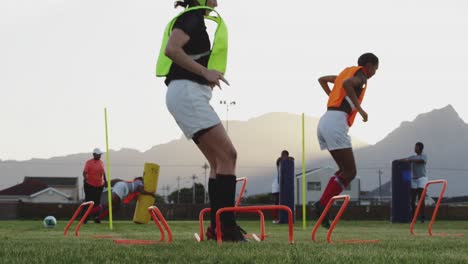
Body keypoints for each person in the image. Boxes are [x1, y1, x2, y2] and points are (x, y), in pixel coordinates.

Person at [156, 0, 245, 241]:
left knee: (219, 161)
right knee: (229, 155)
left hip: (188, 93)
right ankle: (226, 228)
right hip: (187, 93)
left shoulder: (195, 20)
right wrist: (205, 72)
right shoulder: (191, 18)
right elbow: (172, 49)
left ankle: (218, 227)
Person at [314, 53, 379, 228]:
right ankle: (322, 205)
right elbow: (347, 85)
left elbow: (322, 79)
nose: (375, 72)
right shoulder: (361, 76)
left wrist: (331, 96)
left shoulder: (345, 73)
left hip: (326, 119)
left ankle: (323, 205)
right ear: (369, 65)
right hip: (336, 122)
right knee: (350, 172)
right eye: (375, 68)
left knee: (344, 170)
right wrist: (360, 109)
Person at [88, 177, 156, 223]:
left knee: (116, 207)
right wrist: (151, 193)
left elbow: (136, 195)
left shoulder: (135, 182)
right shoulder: (140, 182)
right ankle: (90, 213)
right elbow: (142, 191)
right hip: (122, 187)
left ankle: (97, 218)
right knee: (109, 204)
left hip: (122, 187)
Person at [398, 142, 428, 223]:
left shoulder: (424, 156)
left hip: (422, 178)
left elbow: (420, 160)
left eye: (416, 147)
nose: (414, 148)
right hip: (414, 179)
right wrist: (398, 161)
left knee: (421, 199)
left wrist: (410, 160)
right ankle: (413, 218)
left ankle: (422, 218)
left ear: (420, 148)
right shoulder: (412, 157)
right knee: (412, 199)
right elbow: (406, 159)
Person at [82, 148, 106, 222]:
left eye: (100, 155)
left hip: (99, 185)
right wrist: (86, 178)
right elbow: (84, 172)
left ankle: (96, 217)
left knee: (97, 202)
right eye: (98, 155)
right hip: (89, 185)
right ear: (94, 154)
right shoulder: (89, 162)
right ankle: (85, 218)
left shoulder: (101, 162)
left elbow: (103, 173)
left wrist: (105, 181)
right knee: (89, 201)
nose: (99, 156)